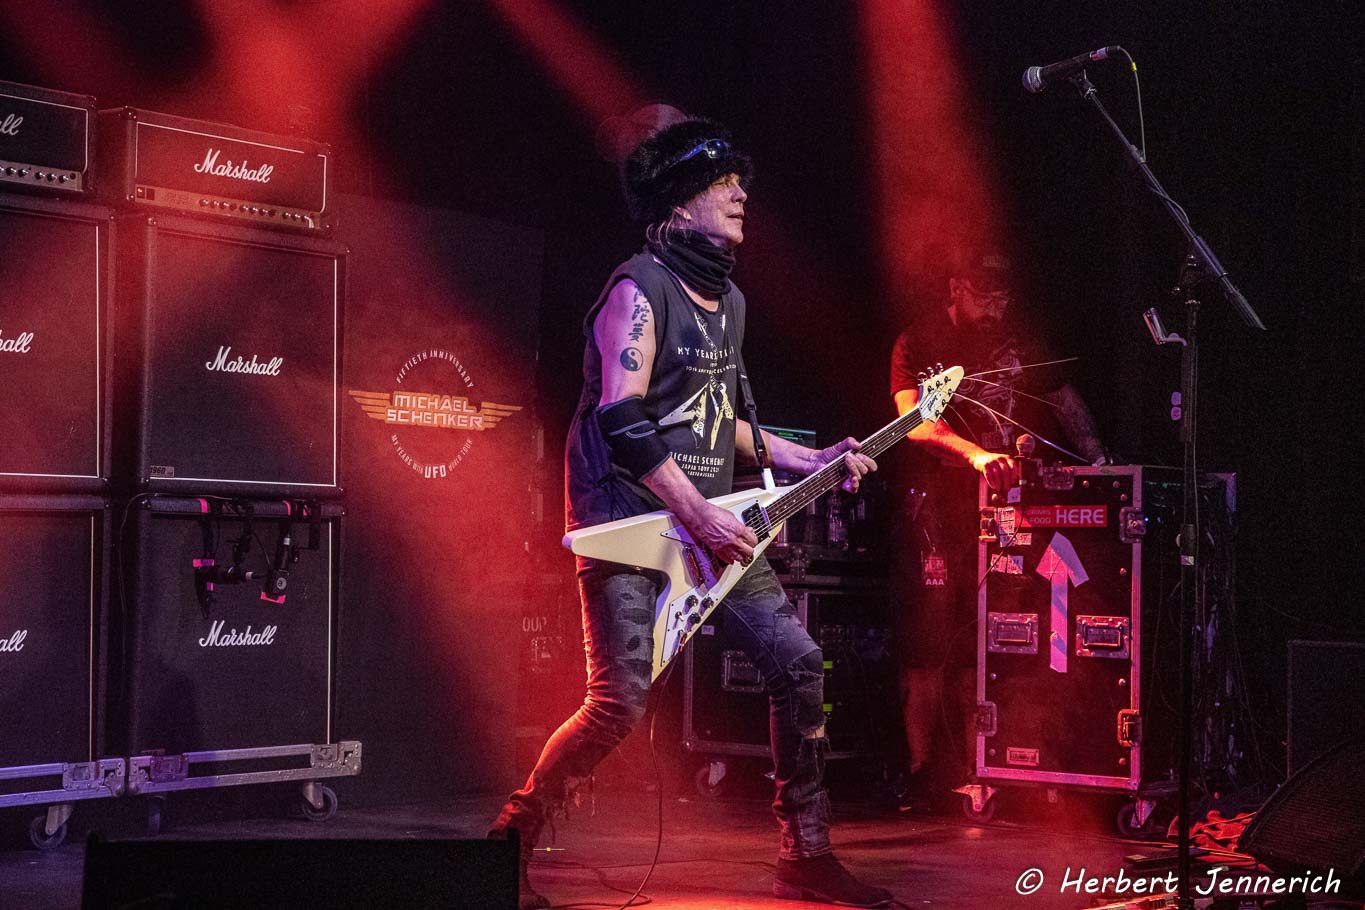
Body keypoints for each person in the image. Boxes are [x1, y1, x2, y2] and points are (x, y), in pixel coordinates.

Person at [488, 115, 893, 909]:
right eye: (721, 183)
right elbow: (622, 415)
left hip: (710, 523)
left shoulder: (728, 300)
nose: (740, 195)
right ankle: (507, 845)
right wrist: (698, 515)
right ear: (678, 203)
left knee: (797, 664)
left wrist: (806, 458)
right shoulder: (636, 290)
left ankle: (805, 854)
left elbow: (710, 414)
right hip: (629, 522)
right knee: (617, 704)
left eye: (738, 182)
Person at [888, 245, 1107, 810]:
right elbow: (913, 422)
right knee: (927, 645)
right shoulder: (919, 342)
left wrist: (1100, 464)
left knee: (986, 643)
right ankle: (920, 773)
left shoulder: (1018, 341)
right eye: (985, 295)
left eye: (1003, 296)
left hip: (1002, 512)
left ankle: (980, 771)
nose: (995, 306)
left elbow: (1064, 398)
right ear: (955, 288)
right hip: (936, 510)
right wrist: (977, 456)